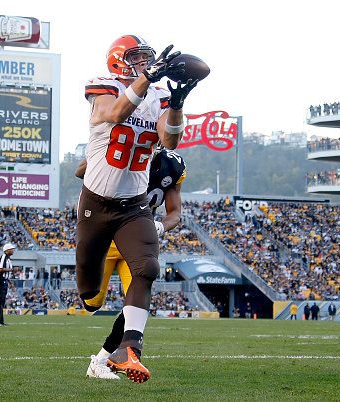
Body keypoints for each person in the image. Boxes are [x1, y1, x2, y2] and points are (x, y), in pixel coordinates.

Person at [75, 34, 197, 384]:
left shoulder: (157, 96)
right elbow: (113, 113)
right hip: (96, 203)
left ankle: (129, 349)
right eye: (137, 57)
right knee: (89, 295)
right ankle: (96, 310)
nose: (144, 62)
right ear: (118, 60)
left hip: (134, 206)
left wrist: (176, 103)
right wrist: (147, 79)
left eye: (147, 58)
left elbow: (170, 140)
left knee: (148, 268)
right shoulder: (103, 86)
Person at [79, 148, 186, 380]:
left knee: (136, 304)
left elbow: (175, 212)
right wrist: (107, 154)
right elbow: (80, 172)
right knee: (92, 303)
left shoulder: (172, 165)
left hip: (136, 239)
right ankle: (108, 355)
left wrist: (159, 226)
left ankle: (103, 359)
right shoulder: (122, 145)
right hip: (105, 236)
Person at [0, 243, 15, 327]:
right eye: (11, 249)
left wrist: (10, 283)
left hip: (4, 280)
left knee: (2, 300)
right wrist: (11, 270)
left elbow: (7, 273)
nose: (13, 250)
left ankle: (0, 321)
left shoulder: (8, 259)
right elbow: (0, 269)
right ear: (6, 250)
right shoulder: (3, 258)